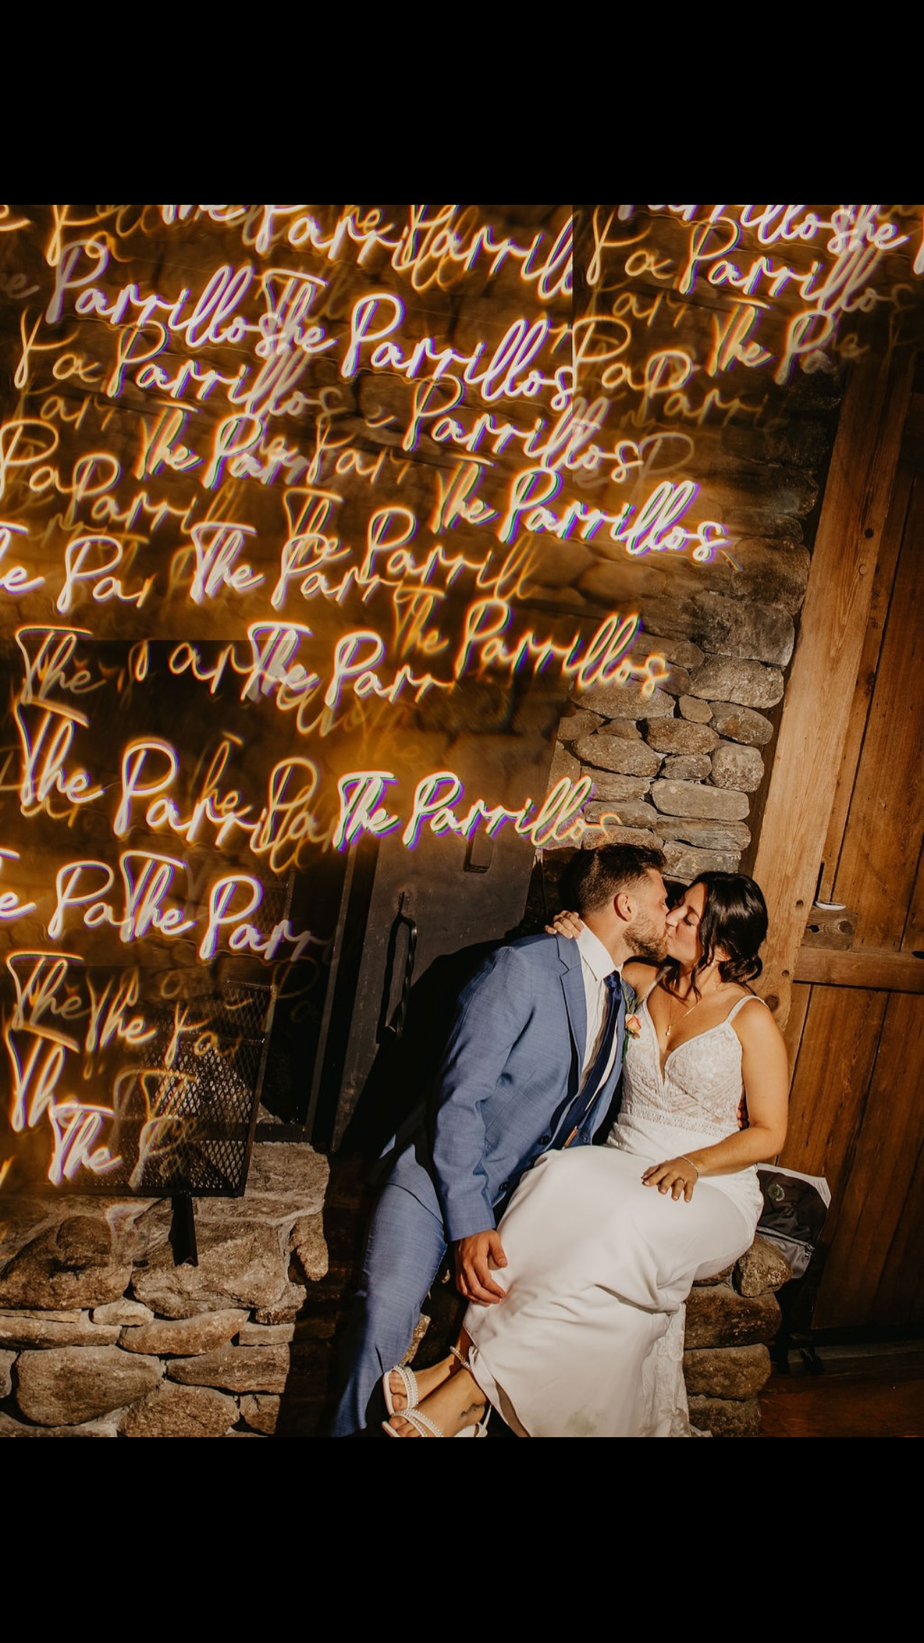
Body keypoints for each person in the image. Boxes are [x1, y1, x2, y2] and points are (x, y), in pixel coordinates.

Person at [382, 871, 789, 1438]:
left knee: (616, 1227)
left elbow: (770, 1134)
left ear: (721, 946)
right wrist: (569, 928)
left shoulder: (750, 1019)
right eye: (675, 906)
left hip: (708, 1185)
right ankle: (463, 1361)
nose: (671, 917)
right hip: (621, 1161)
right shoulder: (641, 979)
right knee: (552, 1178)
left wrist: (695, 1162)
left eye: (689, 917)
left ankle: (469, 1386)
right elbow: (590, 956)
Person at [331, 843, 671, 1435]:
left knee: (544, 1335)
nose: (669, 916)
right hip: (439, 1182)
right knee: (380, 1321)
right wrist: (467, 1222)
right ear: (625, 905)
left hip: (525, 1208)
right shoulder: (525, 966)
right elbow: (458, 1100)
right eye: (664, 902)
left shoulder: (620, 994)